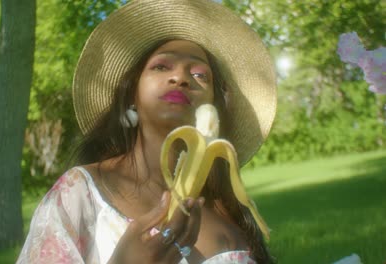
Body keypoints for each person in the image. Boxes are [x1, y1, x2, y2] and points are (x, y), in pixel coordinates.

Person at [17, 0, 277, 263]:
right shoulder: (80, 193)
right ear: (132, 94)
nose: (181, 77)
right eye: (161, 66)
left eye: (200, 75)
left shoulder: (230, 214)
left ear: (215, 106)